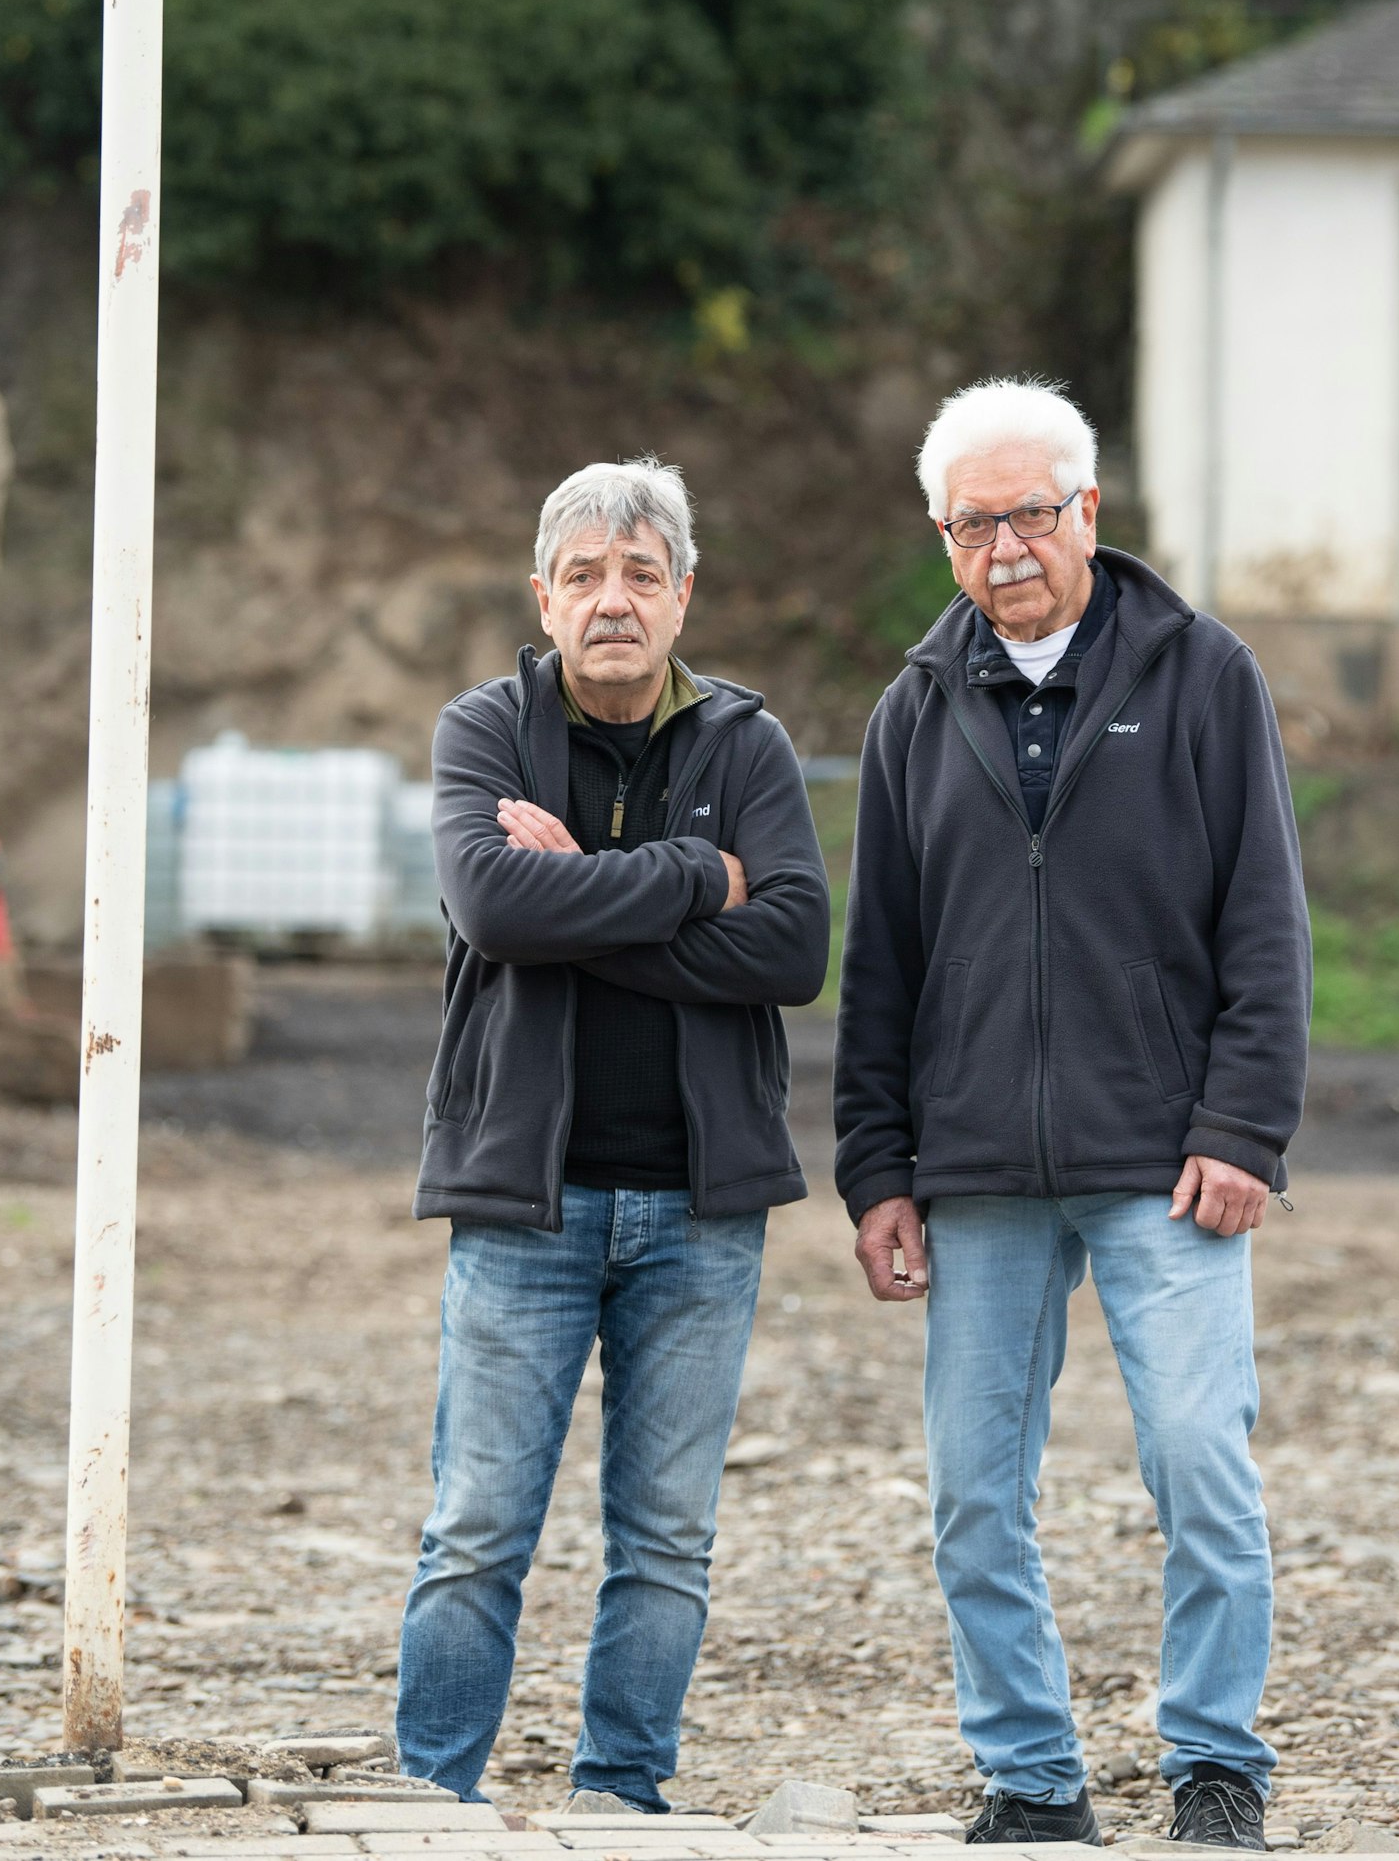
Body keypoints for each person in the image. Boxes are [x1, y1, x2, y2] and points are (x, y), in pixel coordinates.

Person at [834, 378, 1310, 1851]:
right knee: (975, 1497)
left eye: (1033, 514)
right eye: (975, 524)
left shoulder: (1204, 673)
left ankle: (1216, 1761)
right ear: (944, 536)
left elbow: (1266, 923)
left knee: (1196, 1461)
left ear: (1088, 511)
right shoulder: (913, 710)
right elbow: (883, 962)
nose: (1007, 546)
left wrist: (1244, 1128)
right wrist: (874, 1171)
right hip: (973, 1172)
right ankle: (1033, 1778)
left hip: (1165, 1161)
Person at [398, 456, 830, 1811]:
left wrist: (582, 889)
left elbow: (798, 946)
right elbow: (496, 911)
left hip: (703, 1210)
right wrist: (696, 881)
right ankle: (430, 1801)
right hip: (525, 1200)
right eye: (584, 575)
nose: (613, 600)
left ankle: (621, 1799)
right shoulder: (482, 731)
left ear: (684, 596)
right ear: (544, 596)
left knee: (667, 1539)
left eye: (641, 574)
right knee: (475, 1531)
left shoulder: (746, 744)